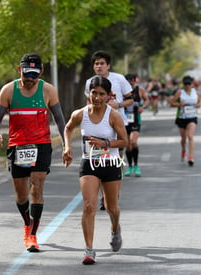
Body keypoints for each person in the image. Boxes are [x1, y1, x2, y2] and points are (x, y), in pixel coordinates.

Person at [0, 53, 66, 253]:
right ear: (20, 70)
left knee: (37, 186)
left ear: (40, 72)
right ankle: (26, 224)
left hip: (41, 144)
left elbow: (59, 120)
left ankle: (32, 235)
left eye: (34, 74)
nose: (30, 78)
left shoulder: (48, 90)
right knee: (21, 194)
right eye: (27, 73)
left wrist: (66, 144)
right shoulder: (8, 90)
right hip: (18, 146)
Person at [64, 76, 128, 265]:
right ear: (89, 93)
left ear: (109, 96)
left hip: (110, 164)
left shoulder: (113, 115)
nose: (97, 97)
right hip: (89, 163)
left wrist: (105, 143)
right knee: (89, 206)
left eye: (102, 94)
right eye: (94, 93)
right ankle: (89, 250)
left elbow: (125, 141)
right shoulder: (80, 114)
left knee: (111, 207)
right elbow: (68, 129)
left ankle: (115, 229)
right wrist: (67, 148)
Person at [84, 50, 133, 210]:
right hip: (96, 124)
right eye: (96, 64)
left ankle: (112, 193)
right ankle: (102, 194)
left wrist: (118, 105)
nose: (99, 66)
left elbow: (131, 99)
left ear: (108, 65)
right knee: (96, 159)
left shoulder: (119, 79)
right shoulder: (89, 82)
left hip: (116, 123)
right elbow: (88, 102)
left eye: (102, 63)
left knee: (115, 158)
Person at [170, 75, 201, 166]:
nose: (187, 85)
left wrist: (197, 105)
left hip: (192, 116)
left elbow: (199, 102)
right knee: (183, 138)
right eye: (185, 84)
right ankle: (183, 149)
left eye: (189, 84)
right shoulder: (180, 93)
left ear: (192, 84)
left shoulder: (195, 92)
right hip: (181, 117)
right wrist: (179, 104)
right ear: (183, 84)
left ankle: (191, 157)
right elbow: (172, 103)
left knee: (190, 136)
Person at [123, 74, 149, 177]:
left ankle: (136, 166)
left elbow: (146, 99)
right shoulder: (122, 91)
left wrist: (143, 106)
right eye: (128, 81)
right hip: (124, 119)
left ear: (135, 81)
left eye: (132, 81)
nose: (130, 83)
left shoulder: (140, 90)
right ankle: (130, 166)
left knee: (133, 141)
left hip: (135, 119)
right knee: (127, 144)